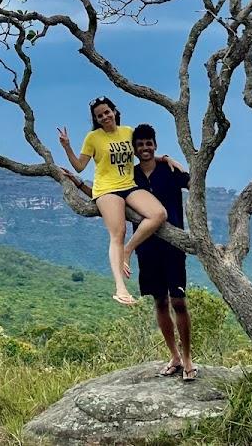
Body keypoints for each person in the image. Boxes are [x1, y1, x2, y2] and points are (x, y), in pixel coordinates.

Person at [64, 123, 196, 380]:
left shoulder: (168, 170)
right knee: (160, 301)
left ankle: (189, 358)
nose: (145, 148)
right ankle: (175, 357)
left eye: (149, 144)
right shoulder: (129, 176)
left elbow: (195, 184)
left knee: (179, 301)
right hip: (147, 247)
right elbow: (106, 195)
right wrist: (78, 183)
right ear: (134, 150)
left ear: (155, 146)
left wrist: (173, 160)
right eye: (140, 145)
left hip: (173, 246)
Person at [58, 97, 167, 306]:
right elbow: (80, 166)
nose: (105, 117)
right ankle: (120, 288)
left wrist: (165, 159)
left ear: (114, 111)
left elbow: (143, 153)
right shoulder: (93, 137)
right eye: (100, 116)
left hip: (129, 185)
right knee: (118, 233)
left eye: (107, 112)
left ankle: (128, 250)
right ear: (97, 120)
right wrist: (67, 147)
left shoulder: (128, 132)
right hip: (107, 190)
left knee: (159, 214)